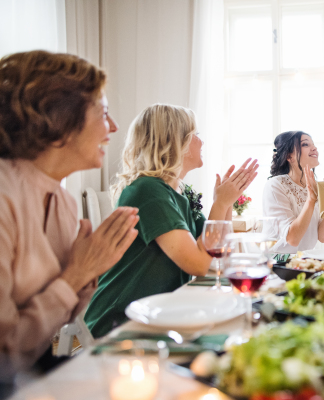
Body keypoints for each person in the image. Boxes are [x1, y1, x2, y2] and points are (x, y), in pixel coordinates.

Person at [0, 51, 139, 383]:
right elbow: (4, 356)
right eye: (103, 113)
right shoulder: (4, 196)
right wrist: (77, 275)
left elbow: (61, 329)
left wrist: (90, 276)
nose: (114, 127)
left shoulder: (63, 201)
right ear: (59, 120)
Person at [84, 104, 258, 338]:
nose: (201, 141)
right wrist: (219, 205)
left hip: (162, 311)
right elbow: (197, 264)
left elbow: (216, 251)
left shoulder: (176, 194)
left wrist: (226, 203)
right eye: (195, 135)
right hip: (122, 319)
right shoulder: (147, 191)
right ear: (178, 142)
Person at [262, 131, 324, 253]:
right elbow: (292, 239)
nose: (314, 148)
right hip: (277, 262)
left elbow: (322, 236)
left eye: (313, 144)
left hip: (304, 261)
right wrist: (311, 200)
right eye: (305, 144)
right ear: (289, 157)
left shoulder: (316, 185)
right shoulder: (275, 185)